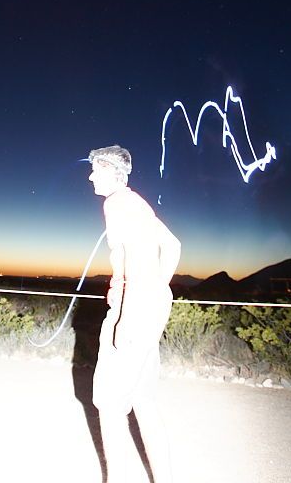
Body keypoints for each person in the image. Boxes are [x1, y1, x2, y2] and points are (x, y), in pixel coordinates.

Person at [88, 144, 181, 483]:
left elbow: (140, 258)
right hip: (150, 305)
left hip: (135, 307)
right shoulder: (139, 204)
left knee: (110, 405)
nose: (90, 176)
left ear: (114, 173)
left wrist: (127, 315)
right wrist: (158, 288)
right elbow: (173, 246)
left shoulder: (117, 204)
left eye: (96, 170)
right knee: (143, 399)